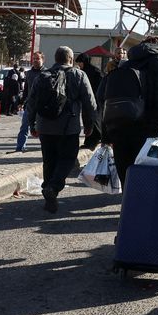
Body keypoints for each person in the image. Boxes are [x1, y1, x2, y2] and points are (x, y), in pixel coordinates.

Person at [102, 36, 158, 187]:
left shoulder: (124, 65)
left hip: (119, 128)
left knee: (127, 178)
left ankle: (130, 207)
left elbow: (106, 100)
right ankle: (144, 208)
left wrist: (106, 135)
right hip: (151, 130)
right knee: (150, 175)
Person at [28, 46, 97, 213]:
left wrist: (32, 124)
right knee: (67, 159)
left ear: (55, 59)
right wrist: (90, 125)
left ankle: (49, 193)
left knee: (49, 160)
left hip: (45, 126)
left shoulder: (42, 76)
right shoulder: (79, 75)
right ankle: (53, 186)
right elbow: (90, 103)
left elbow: (31, 103)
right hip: (69, 127)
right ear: (71, 60)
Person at [13, 51, 45, 153]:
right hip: (30, 106)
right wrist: (21, 102)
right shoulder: (29, 73)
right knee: (24, 127)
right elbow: (26, 89)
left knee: (43, 129)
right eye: (34, 59)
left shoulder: (47, 73)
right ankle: (20, 148)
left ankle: (46, 147)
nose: (35, 60)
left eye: (38, 59)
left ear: (42, 60)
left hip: (42, 107)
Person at [76, 52, 104, 149]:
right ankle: (89, 141)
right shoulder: (85, 71)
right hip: (88, 100)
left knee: (93, 121)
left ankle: (94, 141)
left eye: (80, 62)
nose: (79, 65)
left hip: (95, 101)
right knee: (88, 121)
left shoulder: (95, 71)